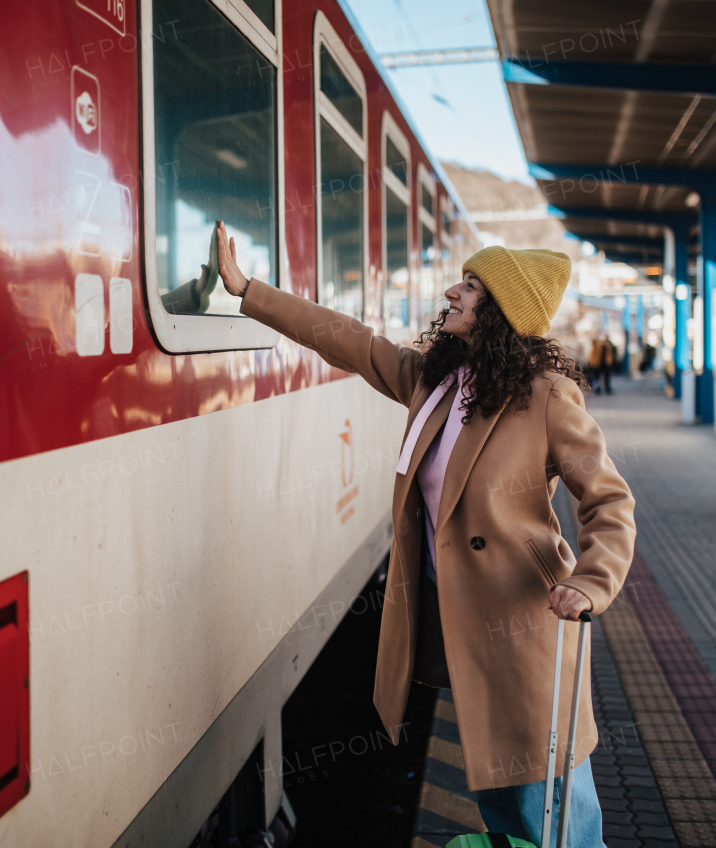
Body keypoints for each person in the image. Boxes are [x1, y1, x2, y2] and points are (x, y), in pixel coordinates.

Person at [215, 224, 635, 847]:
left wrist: (590, 583)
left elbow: (608, 499)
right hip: (469, 635)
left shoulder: (547, 397)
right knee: (506, 821)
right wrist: (248, 290)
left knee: (559, 823)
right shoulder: (436, 383)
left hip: (527, 631)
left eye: (469, 285)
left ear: (502, 308)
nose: (451, 293)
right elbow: (349, 342)